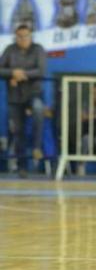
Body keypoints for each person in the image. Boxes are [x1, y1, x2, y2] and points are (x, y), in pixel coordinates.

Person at [0, 25, 47, 177]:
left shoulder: (38, 49)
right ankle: (22, 166)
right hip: (14, 96)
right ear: (15, 37)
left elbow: (41, 70)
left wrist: (22, 74)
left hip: (34, 93)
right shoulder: (9, 49)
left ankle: (37, 146)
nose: (22, 39)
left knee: (39, 108)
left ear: (31, 36)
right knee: (18, 131)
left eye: (25, 36)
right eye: (19, 36)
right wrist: (12, 72)